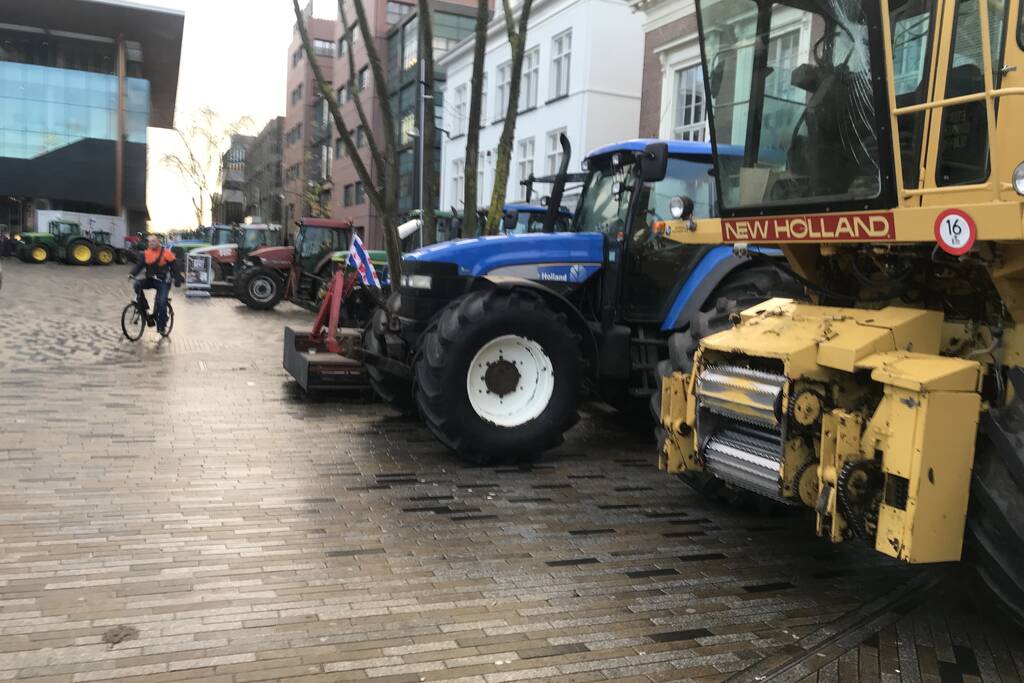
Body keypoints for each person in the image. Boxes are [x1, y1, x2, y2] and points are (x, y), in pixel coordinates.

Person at [129, 235, 183, 335]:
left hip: (163, 282)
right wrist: (132, 274)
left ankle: (161, 326)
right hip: (151, 280)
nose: (151, 243)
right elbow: (139, 266)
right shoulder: (145, 254)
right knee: (137, 284)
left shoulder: (167, 253)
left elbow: (175, 267)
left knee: (161, 302)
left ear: (158, 242)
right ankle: (144, 307)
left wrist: (177, 279)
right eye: (149, 242)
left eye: (153, 241)